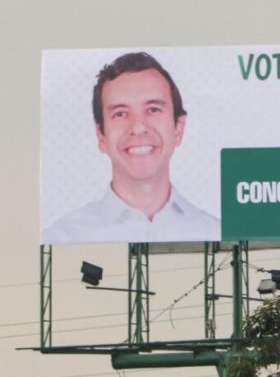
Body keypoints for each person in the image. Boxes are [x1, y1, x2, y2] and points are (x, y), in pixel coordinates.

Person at [43, 52, 220, 244]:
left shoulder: (218, 235)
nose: (138, 127)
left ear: (178, 128)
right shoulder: (61, 239)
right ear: (101, 136)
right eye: (120, 114)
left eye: (153, 110)